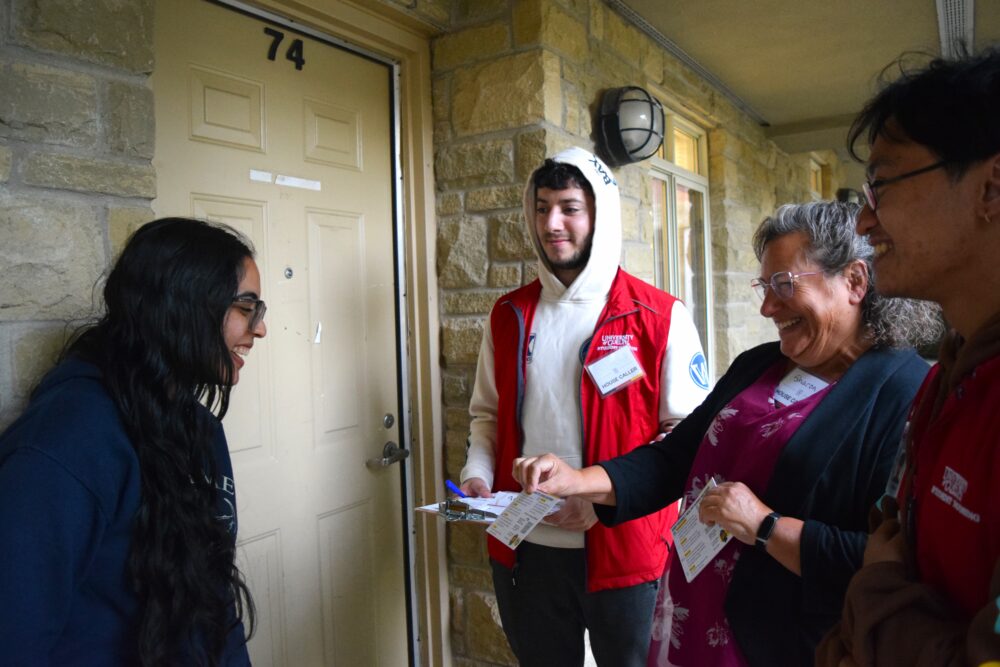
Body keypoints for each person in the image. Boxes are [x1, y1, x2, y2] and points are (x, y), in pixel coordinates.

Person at [513, 200, 944, 666]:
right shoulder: (759, 364)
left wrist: (763, 526)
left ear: (855, 282)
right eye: (765, 285)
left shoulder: (905, 392)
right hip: (690, 618)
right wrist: (576, 479)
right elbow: (672, 459)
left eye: (784, 285)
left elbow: (883, 559)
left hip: (785, 646)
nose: (766, 306)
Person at [459, 146, 710, 666]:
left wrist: (599, 501)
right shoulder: (508, 314)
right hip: (526, 547)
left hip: (627, 551)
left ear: (600, 214)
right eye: (542, 206)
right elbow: (486, 415)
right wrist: (478, 475)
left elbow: (687, 438)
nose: (553, 223)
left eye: (570, 207)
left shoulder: (660, 315)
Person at [0, 218, 265, 665]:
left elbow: (211, 596)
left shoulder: (198, 428)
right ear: (183, 304)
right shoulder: (64, 445)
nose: (259, 330)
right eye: (246, 307)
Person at [816, 48, 1000, 665]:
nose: (865, 219)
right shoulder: (950, 373)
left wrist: (877, 593)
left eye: (884, 183)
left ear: (991, 187)